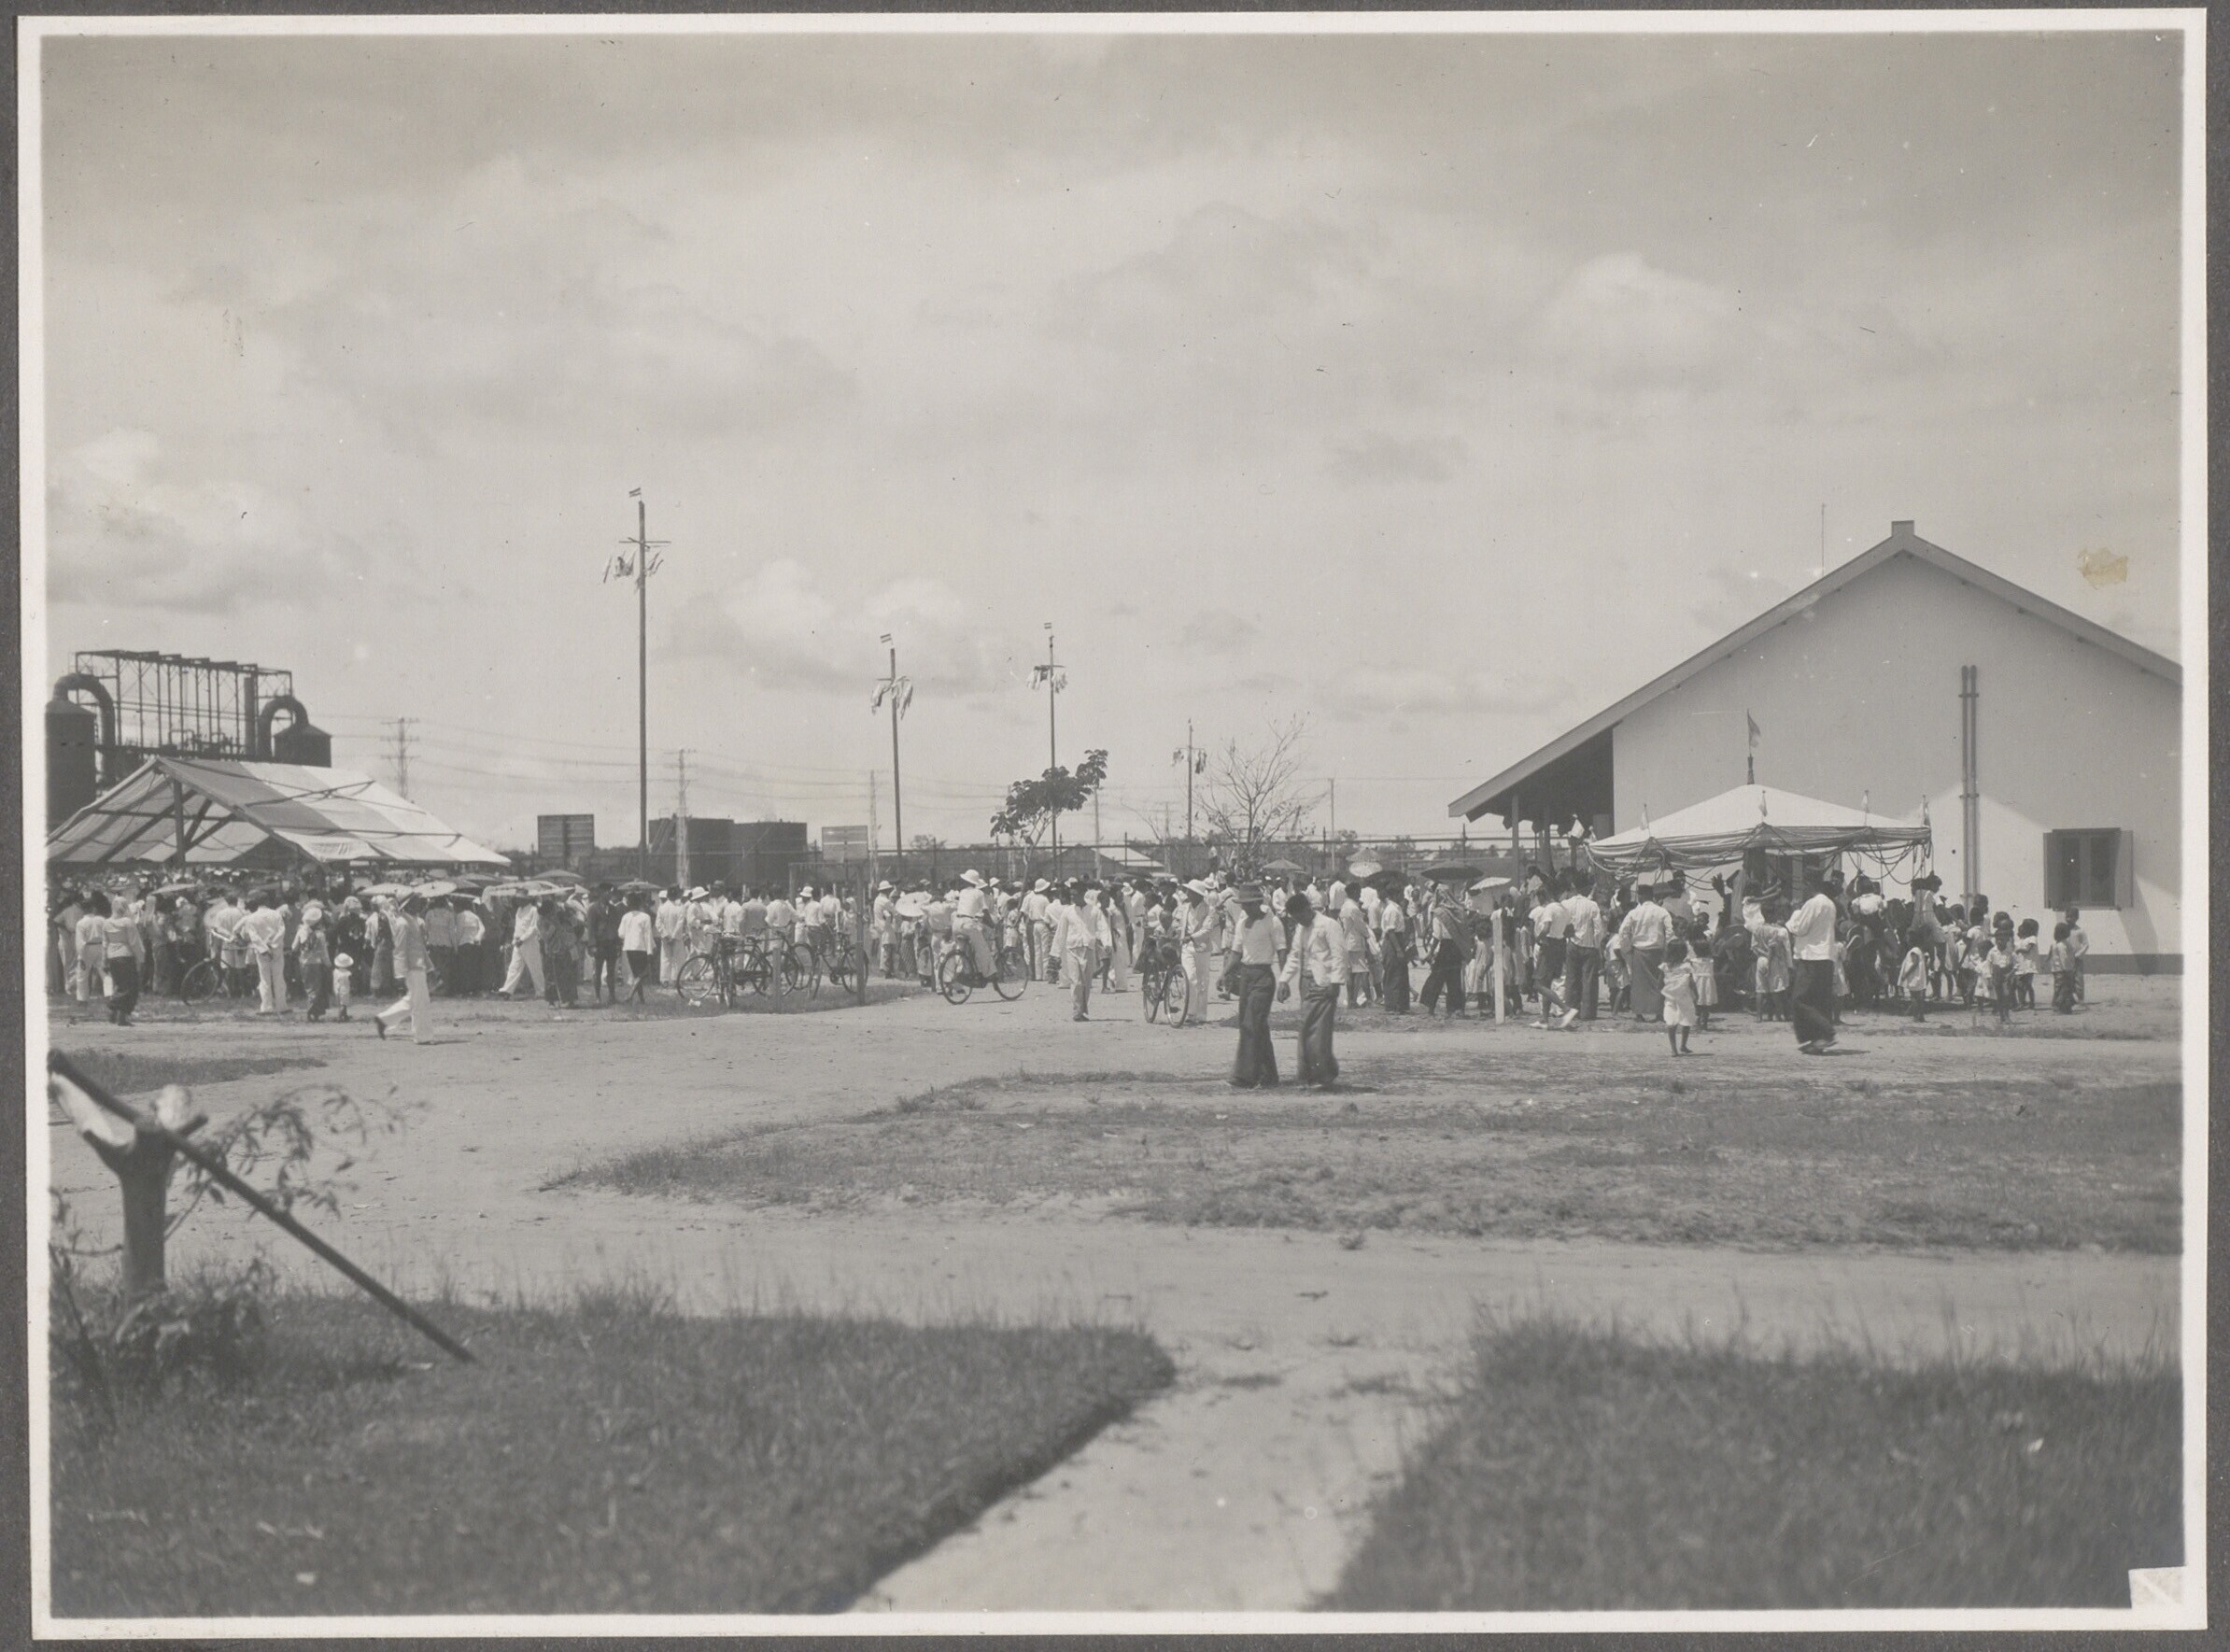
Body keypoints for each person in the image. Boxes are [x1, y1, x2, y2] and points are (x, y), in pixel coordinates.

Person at [1277, 891, 1348, 1088]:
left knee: (1319, 1032)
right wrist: (1284, 980)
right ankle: (1311, 1074)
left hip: (1324, 983)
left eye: (1300, 916)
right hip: (1306, 982)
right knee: (1306, 1029)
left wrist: (1335, 983)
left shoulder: (1329, 925)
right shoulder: (1301, 929)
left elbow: (1339, 955)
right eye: (1295, 919)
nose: (1299, 921)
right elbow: (1294, 955)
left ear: (1308, 909)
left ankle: (1322, 1076)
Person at [1229, 886, 1281, 1088]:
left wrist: (1285, 979)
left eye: (1249, 904)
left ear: (1258, 903)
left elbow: (1282, 950)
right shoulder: (1242, 923)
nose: (1245, 908)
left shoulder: (1272, 922)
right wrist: (1224, 973)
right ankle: (1269, 1075)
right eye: (1243, 905)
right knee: (1255, 1026)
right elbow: (1236, 952)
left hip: (1263, 976)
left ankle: (1245, 1076)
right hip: (1246, 976)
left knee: (1251, 1025)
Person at [1786, 871, 1842, 1052]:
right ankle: (1817, 1040)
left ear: (1809, 884)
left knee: (1800, 1000)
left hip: (1812, 956)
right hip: (1826, 956)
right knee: (1818, 1000)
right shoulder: (1830, 904)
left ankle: (1827, 1033)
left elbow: (1799, 928)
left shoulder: (1813, 903)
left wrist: (1795, 912)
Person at [375, 896, 433, 1043]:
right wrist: (399, 973)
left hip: (418, 965)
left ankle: (384, 1020)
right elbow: (399, 950)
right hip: (411, 967)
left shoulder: (414, 921)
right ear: (408, 904)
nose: (419, 904)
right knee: (421, 1002)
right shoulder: (402, 923)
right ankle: (423, 1036)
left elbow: (421, 947)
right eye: (416, 902)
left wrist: (429, 966)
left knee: (412, 1001)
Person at [1618, 879, 1674, 1022]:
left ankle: (1639, 1013)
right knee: (1658, 982)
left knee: (1639, 984)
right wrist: (1668, 948)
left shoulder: (1634, 913)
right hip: (1658, 951)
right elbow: (1670, 931)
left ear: (1640, 896)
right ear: (1652, 895)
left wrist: (1627, 948)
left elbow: (1623, 932)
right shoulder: (1662, 912)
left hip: (1639, 951)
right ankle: (1659, 1013)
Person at [1054, 882, 1109, 1021]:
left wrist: (1107, 943)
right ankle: (1077, 1012)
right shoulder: (1068, 912)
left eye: (1075, 894)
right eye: (1071, 895)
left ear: (1083, 894)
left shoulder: (1094, 911)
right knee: (1076, 981)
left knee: (1087, 982)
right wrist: (1055, 953)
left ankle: (1082, 1009)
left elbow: (1103, 927)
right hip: (1072, 949)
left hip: (1088, 948)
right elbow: (1061, 933)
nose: (1073, 897)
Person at [1557, 872, 1604, 1028]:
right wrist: (1597, 945)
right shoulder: (1593, 906)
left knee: (1571, 979)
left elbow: (1562, 925)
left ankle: (1572, 1010)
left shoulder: (1566, 904)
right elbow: (1599, 930)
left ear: (1574, 886)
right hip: (1589, 946)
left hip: (1572, 944)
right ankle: (1588, 1013)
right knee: (1589, 980)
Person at [1418, 895, 1470, 1018]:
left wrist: (1430, 952)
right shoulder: (1458, 912)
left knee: (1437, 978)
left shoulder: (1439, 913)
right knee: (1454, 979)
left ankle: (1429, 1008)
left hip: (1445, 948)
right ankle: (1455, 1009)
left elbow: (1437, 935)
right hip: (1457, 948)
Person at [241, 894, 289, 1014]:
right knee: (279, 977)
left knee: (264, 979)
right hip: (276, 950)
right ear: (267, 901)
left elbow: (254, 936)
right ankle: (282, 1006)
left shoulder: (252, 918)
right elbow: (281, 931)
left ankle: (266, 1007)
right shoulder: (276, 914)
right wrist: (273, 945)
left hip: (262, 952)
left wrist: (264, 948)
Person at [1179, 881, 1216, 1026]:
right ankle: (1190, 1012)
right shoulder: (1185, 907)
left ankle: (1200, 1014)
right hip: (1186, 947)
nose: (1188, 894)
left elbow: (1207, 929)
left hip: (1202, 948)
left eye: (1191, 892)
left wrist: (1192, 937)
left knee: (1202, 982)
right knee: (1189, 978)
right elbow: (1178, 924)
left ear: (1198, 895)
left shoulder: (1209, 909)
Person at [500, 897, 547, 999]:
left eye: (520, 899)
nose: (517, 901)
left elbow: (534, 928)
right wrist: (515, 939)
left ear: (527, 899)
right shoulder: (519, 910)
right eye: (517, 899)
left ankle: (541, 991)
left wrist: (522, 939)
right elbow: (517, 927)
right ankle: (507, 990)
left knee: (535, 968)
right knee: (514, 967)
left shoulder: (533, 910)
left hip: (530, 943)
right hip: (518, 942)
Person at [953, 870, 996, 979]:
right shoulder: (979, 893)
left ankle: (960, 971)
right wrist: (992, 924)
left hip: (956, 923)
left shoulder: (962, 892)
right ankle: (989, 974)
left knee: (960, 948)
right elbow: (985, 911)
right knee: (982, 949)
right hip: (968, 923)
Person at [1376, 885, 1411, 1013]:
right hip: (1393, 942)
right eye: (1401, 894)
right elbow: (1390, 932)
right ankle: (1391, 1005)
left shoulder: (1397, 908)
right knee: (1393, 974)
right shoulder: (1392, 910)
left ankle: (1400, 1005)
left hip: (1398, 939)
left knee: (1400, 973)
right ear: (1395, 895)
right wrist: (1398, 949)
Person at [1661, 935, 1697, 1056]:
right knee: (1684, 1020)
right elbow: (1692, 983)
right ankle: (1682, 1045)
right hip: (1683, 996)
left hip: (1671, 997)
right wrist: (1696, 994)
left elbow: (1659, 982)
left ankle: (1675, 1048)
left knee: (1673, 1022)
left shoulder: (1666, 966)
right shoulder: (1686, 966)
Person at [297, 903, 333, 1020]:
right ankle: (312, 1011)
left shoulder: (301, 931)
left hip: (303, 962)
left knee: (308, 987)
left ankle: (313, 1012)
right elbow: (324, 953)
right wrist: (329, 964)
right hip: (316, 963)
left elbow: (294, 947)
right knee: (317, 989)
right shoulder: (320, 935)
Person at [618, 896, 656, 1003]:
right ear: (640, 904)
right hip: (641, 947)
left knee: (637, 974)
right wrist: (650, 951)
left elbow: (621, 934)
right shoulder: (645, 917)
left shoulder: (625, 916)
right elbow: (647, 935)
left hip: (629, 947)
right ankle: (630, 995)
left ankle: (641, 999)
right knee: (643, 973)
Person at [1897, 931, 1930, 1021]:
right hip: (1919, 975)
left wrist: (1905, 974)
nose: (1906, 940)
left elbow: (1914, 964)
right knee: (1919, 997)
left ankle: (1916, 1016)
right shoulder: (1919, 950)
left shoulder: (1913, 951)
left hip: (1914, 976)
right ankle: (1921, 1016)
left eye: (1908, 938)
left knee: (1914, 997)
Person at [2050, 922, 2079, 1012]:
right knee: (2064, 988)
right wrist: (2067, 969)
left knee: (2060, 987)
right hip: (2063, 970)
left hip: (2057, 970)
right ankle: (2059, 1005)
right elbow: (2064, 958)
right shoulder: (2062, 945)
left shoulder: (2056, 944)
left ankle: (2063, 1005)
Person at [2014, 917, 2041, 1010]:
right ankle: (2022, 1002)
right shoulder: (2022, 940)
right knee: (2020, 984)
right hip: (2022, 965)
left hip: (2030, 965)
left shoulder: (2032, 938)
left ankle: (2031, 1002)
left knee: (2027, 984)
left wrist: (2019, 950)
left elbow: (2028, 949)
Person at [2063, 908, 2089, 1002]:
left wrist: (2079, 954)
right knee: (2067, 978)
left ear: (2076, 918)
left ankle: (2080, 998)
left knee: (2078, 978)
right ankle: (2069, 998)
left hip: (2077, 959)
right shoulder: (2063, 930)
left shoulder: (2080, 931)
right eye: (2067, 917)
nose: (2069, 919)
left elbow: (2086, 944)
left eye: (2071, 917)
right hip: (2065, 958)